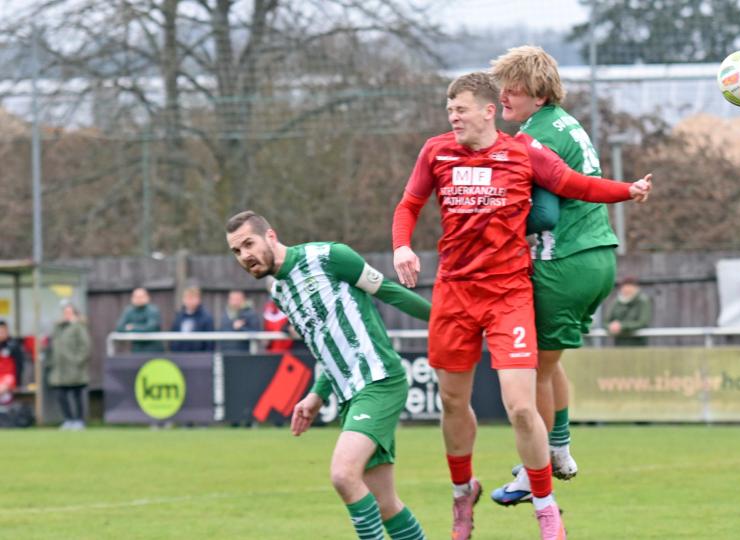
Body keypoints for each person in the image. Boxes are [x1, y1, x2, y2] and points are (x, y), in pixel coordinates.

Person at [392, 71, 652, 540]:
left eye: (461, 109)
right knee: (452, 400)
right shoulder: (436, 151)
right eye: (449, 110)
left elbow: (575, 185)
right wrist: (401, 247)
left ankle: (547, 509)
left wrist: (626, 191)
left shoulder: (523, 151)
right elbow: (409, 204)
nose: (453, 117)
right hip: (454, 290)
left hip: (508, 293)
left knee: (520, 407)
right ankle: (461, 493)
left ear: (489, 111)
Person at [225, 210, 430, 540]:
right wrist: (317, 393)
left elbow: (389, 292)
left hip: (379, 380)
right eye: (236, 251)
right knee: (385, 503)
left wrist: (447, 321)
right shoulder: (278, 290)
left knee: (343, 475)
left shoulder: (329, 257)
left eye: (249, 243)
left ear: (271, 236)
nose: (245, 255)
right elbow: (324, 343)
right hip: (350, 393)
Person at [488, 44, 624, 504]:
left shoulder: (534, 138)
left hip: (563, 261)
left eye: (515, 86)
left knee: (532, 372)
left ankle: (536, 470)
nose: (504, 94)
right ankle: (559, 450)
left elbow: (544, 214)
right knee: (550, 362)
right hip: (599, 256)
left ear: (539, 91)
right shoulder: (565, 123)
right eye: (503, 83)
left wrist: (488, 221)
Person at [47, 302, 91, 430]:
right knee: (61, 394)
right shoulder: (58, 328)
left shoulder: (79, 327)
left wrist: (77, 361)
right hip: (59, 369)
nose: (67, 315)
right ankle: (68, 419)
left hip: (74, 368)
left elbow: (85, 347)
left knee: (77, 395)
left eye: (70, 312)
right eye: (65, 312)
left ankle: (79, 420)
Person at [604, 277, 653, 347]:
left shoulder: (643, 301)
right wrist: (610, 326)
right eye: (625, 289)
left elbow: (643, 322)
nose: (627, 291)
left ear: (636, 288)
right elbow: (606, 321)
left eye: (630, 289)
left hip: (638, 344)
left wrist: (622, 326)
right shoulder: (616, 302)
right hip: (619, 344)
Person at [114, 287, 164, 353]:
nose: (139, 299)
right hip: (137, 350)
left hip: (153, 349)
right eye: (136, 297)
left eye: (141, 296)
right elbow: (119, 327)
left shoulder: (153, 310)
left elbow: (150, 328)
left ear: (147, 297)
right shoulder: (129, 311)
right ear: (132, 298)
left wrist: (132, 327)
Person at [169, 286, 215, 352]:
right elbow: (173, 338)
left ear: (198, 299)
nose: (189, 301)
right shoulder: (179, 317)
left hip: (199, 357)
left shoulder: (206, 317)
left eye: (192, 298)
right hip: (180, 356)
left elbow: (210, 343)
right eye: (187, 298)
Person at [0, 320, 25, 406]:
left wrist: (18, 383)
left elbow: (19, 365)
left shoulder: (13, 345)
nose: (1, 334)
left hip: (9, 377)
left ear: (7, 331)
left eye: (2, 331)